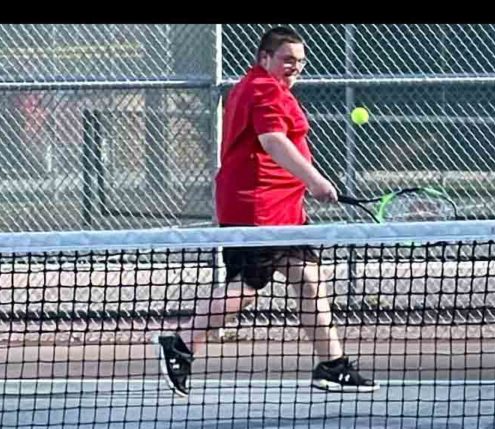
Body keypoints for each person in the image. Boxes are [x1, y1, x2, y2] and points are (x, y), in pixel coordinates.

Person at [154, 26, 378, 397]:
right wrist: (316, 182)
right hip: (259, 210)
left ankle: (332, 366)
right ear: (265, 59)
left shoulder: (267, 89)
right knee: (246, 287)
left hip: (284, 211)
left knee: (309, 278)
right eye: (287, 59)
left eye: (301, 62)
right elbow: (272, 141)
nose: (295, 67)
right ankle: (181, 344)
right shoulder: (263, 89)